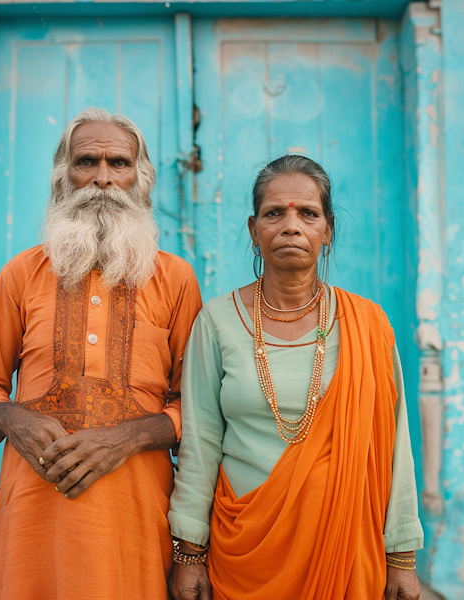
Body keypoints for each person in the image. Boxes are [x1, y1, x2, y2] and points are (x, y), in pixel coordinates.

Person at [0, 107, 202, 600]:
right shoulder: (21, 274)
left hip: (135, 521)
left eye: (120, 163)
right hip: (33, 523)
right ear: (62, 177)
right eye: (86, 161)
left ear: (142, 180)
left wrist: (128, 437)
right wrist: (13, 420)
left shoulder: (176, 279)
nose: (103, 179)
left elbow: (196, 409)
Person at [168, 155, 423, 600]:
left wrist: (401, 557)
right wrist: (189, 555)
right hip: (245, 553)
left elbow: (395, 444)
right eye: (274, 213)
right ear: (254, 230)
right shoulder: (216, 322)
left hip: (344, 550)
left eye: (308, 213)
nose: (291, 226)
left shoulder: (368, 324)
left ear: (327, 232)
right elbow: (201, 443)